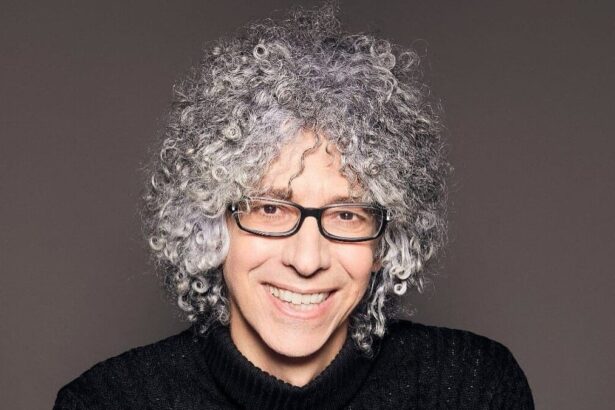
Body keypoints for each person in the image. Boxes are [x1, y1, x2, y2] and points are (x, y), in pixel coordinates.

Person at [54, 3, 534, 409]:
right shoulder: (107, 402)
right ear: (210, 223)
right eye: (270, 210)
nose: (307, 260)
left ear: (386, 243)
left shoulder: (472, 388)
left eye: (347, 215)